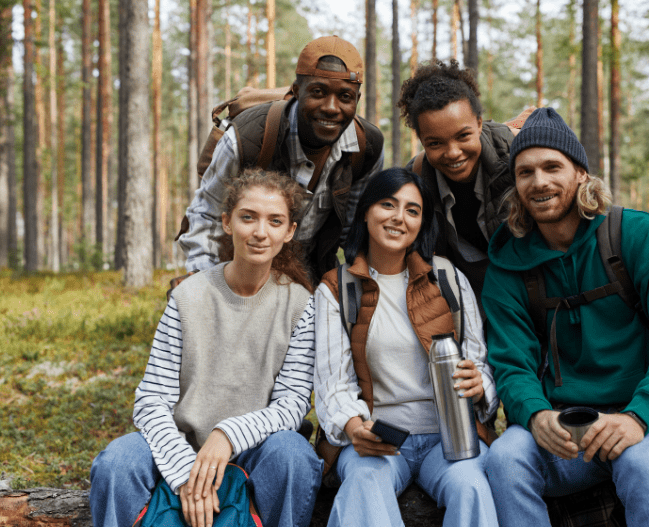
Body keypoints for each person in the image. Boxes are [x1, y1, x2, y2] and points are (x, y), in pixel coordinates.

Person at [482, 107, 649, 526]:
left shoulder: (640, 236)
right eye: (525, 172)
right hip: (566, 426)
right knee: (506, 458)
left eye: (552, 167)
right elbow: (512, 361)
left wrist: (638, 417)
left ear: (581, 173)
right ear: (515, 183)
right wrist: (535, 414)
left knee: (641, 463)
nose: (539, 181)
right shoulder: (509, 264)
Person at [90, 169, 322, 527]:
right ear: (228, 222)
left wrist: (226, 435)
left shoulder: (300, 305)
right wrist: (187, 474)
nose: (260, 232)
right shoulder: (188, 296)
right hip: (181, 447)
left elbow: (292, 406)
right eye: (248, 218)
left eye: (275, 221)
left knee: (293, 455)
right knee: (117, 461)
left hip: (254, 453)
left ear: (289, 232)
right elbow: (152, 398)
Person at [313, 167, 500, 527]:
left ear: (422, 222)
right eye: (388, 204)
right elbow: (332, 383)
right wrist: (354, 429)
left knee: (472, 487)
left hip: (451, 437)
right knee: (365, 482)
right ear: (366, 211)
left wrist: (481, 386)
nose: (399, 218)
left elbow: (480, 361)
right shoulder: (337, 289)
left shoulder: (447, 278)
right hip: (376, 440)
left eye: (412, 210)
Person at [178, 35, 384, 280]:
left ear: (357, 100)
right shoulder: (247, 138)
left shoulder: (366, 147)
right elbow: (206, 214)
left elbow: (356, 229)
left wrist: (362, 285)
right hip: (239, 271)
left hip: (310, 273)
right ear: (297, 91)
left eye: (345, 97)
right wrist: (204, 284)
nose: (331, 107)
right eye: (318, 92)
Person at [397, 58, 524, 304]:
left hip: (532, 294)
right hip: (468, 304)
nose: (453, 152)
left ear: (478, 123)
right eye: (435, 143)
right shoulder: (416, 177)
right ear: (421, 139)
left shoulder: (518, 155)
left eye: (463, 135)